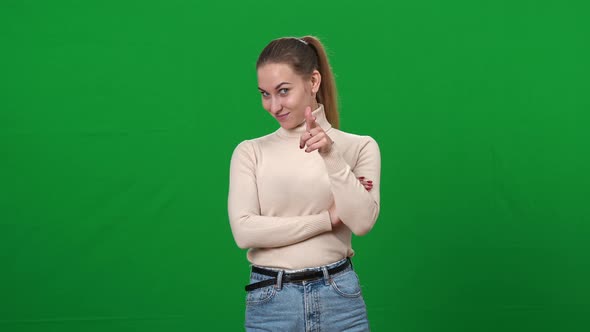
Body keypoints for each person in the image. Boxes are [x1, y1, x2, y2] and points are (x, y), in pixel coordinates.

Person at [228, 35, 381, 331]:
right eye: (265, 94)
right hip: (272, 301)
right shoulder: (250, 152)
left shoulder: (359, 147)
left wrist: (331, 155)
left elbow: (361, 222)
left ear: (313, 81)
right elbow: (244, 232)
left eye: (283, 91)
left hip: (339, 298)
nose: (274, 106)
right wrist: (327, 220)